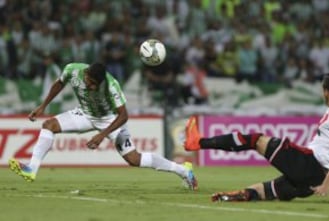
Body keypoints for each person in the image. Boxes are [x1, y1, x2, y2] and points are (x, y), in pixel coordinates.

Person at [9, 62, 198, 190]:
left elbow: (124, 115)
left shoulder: (111, 85)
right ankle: (32, 169)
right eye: (90, 83)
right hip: (85, 113)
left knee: (133, 159)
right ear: (86, 74)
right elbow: (59, 83)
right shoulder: (72, 70)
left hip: (110, 120)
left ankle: (183, 170)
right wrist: (43, 106)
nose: (92, 88)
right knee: (49, 125)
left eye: (95, 86)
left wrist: (102, 134)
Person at [184, 73, 329, 201]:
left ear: (326, 92)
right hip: (311, 181)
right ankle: (227, 197)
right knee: (267, 191)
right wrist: (323, 181)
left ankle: (198, 142)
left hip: (309, 165)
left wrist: (327, 185)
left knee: (256, 140)